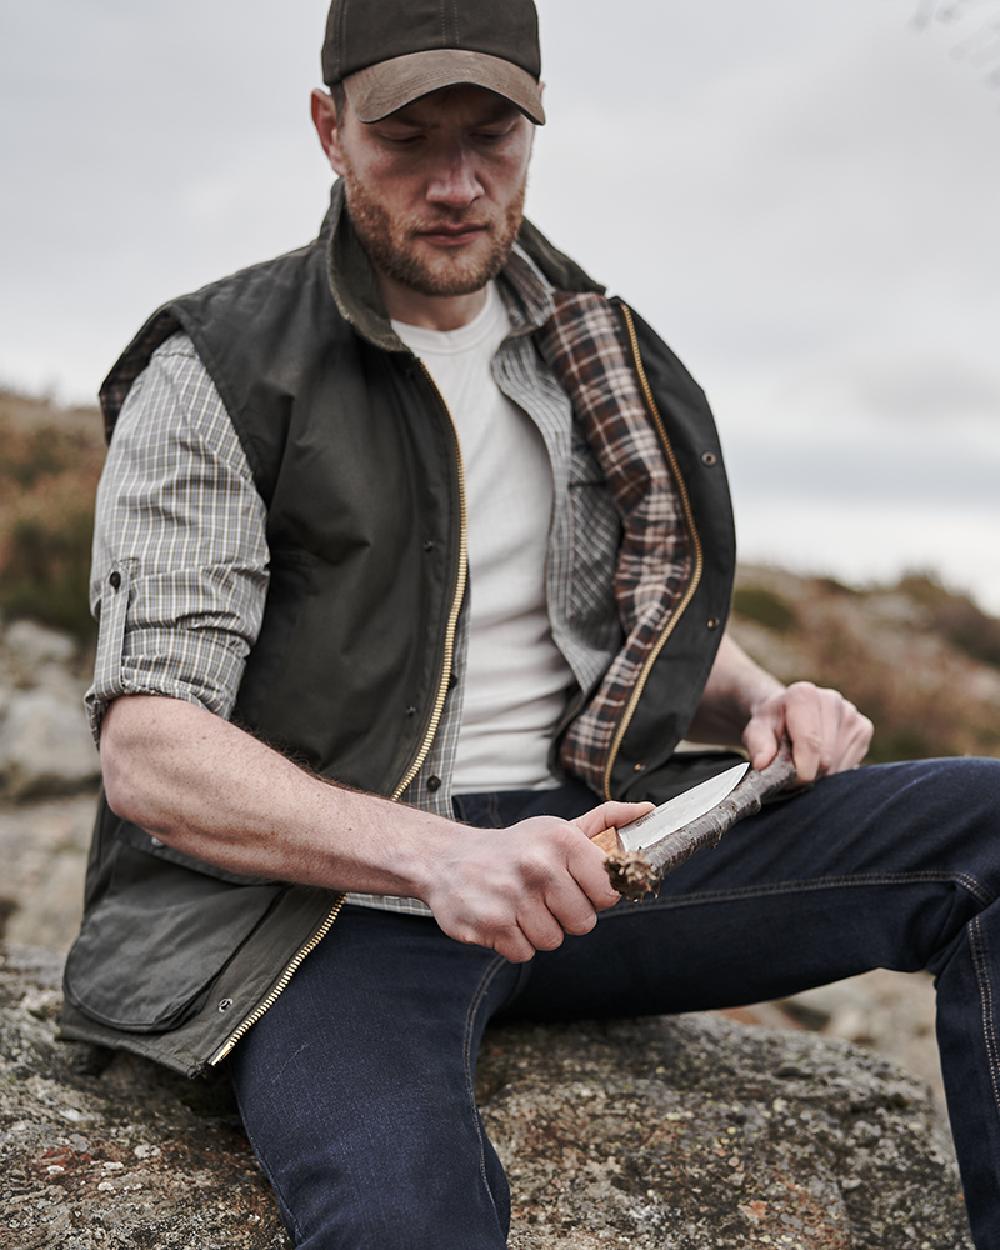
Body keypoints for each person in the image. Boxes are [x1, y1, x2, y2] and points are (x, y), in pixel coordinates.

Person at [62, 1, 1000, 1246]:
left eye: (490, 138)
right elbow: (151, 751)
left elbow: (610, 614)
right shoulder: (219, 368)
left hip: (604, 853)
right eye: (408, 139)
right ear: (327, 130)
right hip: (333, 897)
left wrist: (763, 697)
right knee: (405, 1214)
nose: (457, 183)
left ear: (533, 131)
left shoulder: (585, 341)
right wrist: (438, 855)